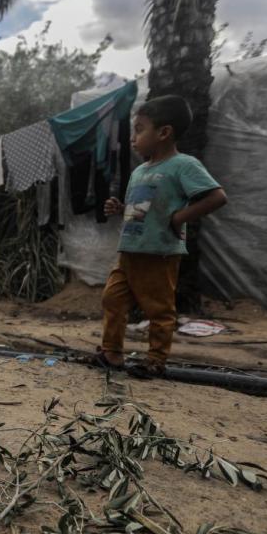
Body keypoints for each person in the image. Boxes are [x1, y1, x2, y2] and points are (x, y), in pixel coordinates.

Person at [97, 95, 228, 377]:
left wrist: (179, 217)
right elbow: (143, 211)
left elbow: (217, 197)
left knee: (158, 309)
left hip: (160, 252)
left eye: (139, 129)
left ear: (164, 132)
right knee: (112, 299)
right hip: (130, 250)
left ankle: (155, 361)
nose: (133, 138)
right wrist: (121, 209)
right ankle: (112, 354)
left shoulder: (183, 165)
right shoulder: (140, 171)